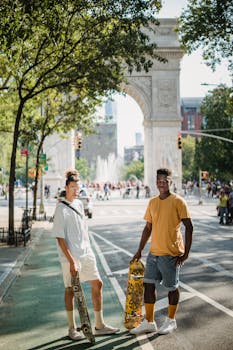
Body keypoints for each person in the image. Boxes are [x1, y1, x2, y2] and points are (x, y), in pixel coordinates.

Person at [52, 169, 119, 341]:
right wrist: (71, 260)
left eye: (78, 187)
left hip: (86, 253)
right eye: (73, 186)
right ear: (66, 187)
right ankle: (71, 328)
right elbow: (60, 239)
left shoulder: (80, 204)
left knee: (98, 283)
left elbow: (83, 231)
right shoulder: (60, 208)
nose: (76, 190)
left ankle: (99, 325)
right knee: (70, 291)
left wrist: (89, 250)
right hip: (70, 257)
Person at [130, 168, 193, 335]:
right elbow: (147, 228)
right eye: (159, 181)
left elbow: (189, 227)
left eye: (165, 181)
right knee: (148, 285)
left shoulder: (178, 201)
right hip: (154, 253)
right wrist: (139, 250)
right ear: (156, 182)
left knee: (172, 288)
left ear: (170, 182)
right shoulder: (152, 202)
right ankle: (150, 322)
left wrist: (186, 253)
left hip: (171, 254)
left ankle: (171, 320)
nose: (162, 183)